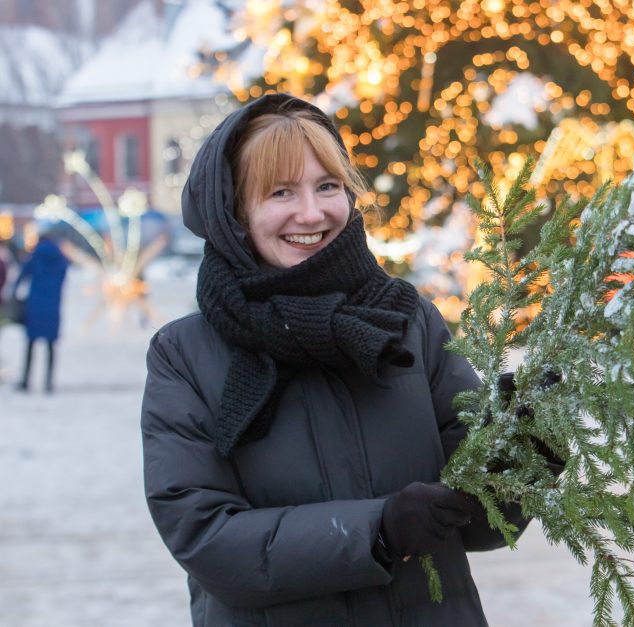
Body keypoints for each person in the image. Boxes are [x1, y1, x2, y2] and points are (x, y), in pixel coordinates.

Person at [141, 94, 533, 627]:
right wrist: (376, 529)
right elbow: (208, 539)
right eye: (281, 192)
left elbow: (481, 523)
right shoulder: (186, 355)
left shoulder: (405, 320)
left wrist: (521, 452)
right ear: (235, 214)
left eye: (327, 186)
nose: (312, 212)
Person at [13, 232, 69, 392]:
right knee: (50, 346)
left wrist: (14, 295)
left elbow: (22, 275)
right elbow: (64, 275)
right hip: (53, 306)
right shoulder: (60, 258)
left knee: (30, 344)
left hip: (35, 305)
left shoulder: (35, 256)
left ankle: (25, 380)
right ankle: (48, 382)